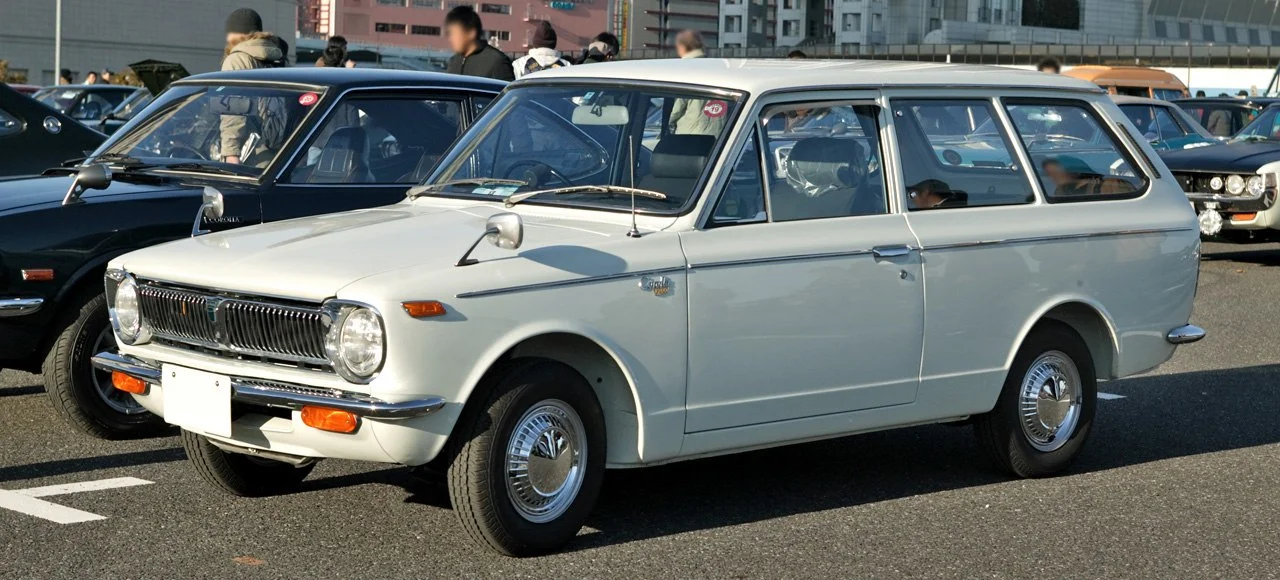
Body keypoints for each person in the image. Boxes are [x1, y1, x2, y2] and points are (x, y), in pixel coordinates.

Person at [220, 7, 288, 166]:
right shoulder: (275, 59)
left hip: (250, 154)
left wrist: (231, 153)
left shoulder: (237, 60)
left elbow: (232, 109)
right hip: (278, 149)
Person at [668, 30, 726, 136]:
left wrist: (669, 123)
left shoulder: (685, 69)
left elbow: (678, 107)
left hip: (690, 133)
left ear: (682, 47)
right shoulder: (717, 68)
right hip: (719, 135)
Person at [444, 6, 515, 81]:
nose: (450, 38)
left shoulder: (496, 61)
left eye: (453, 33)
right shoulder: (453, 62)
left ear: (471, 32)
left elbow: (510, 92)